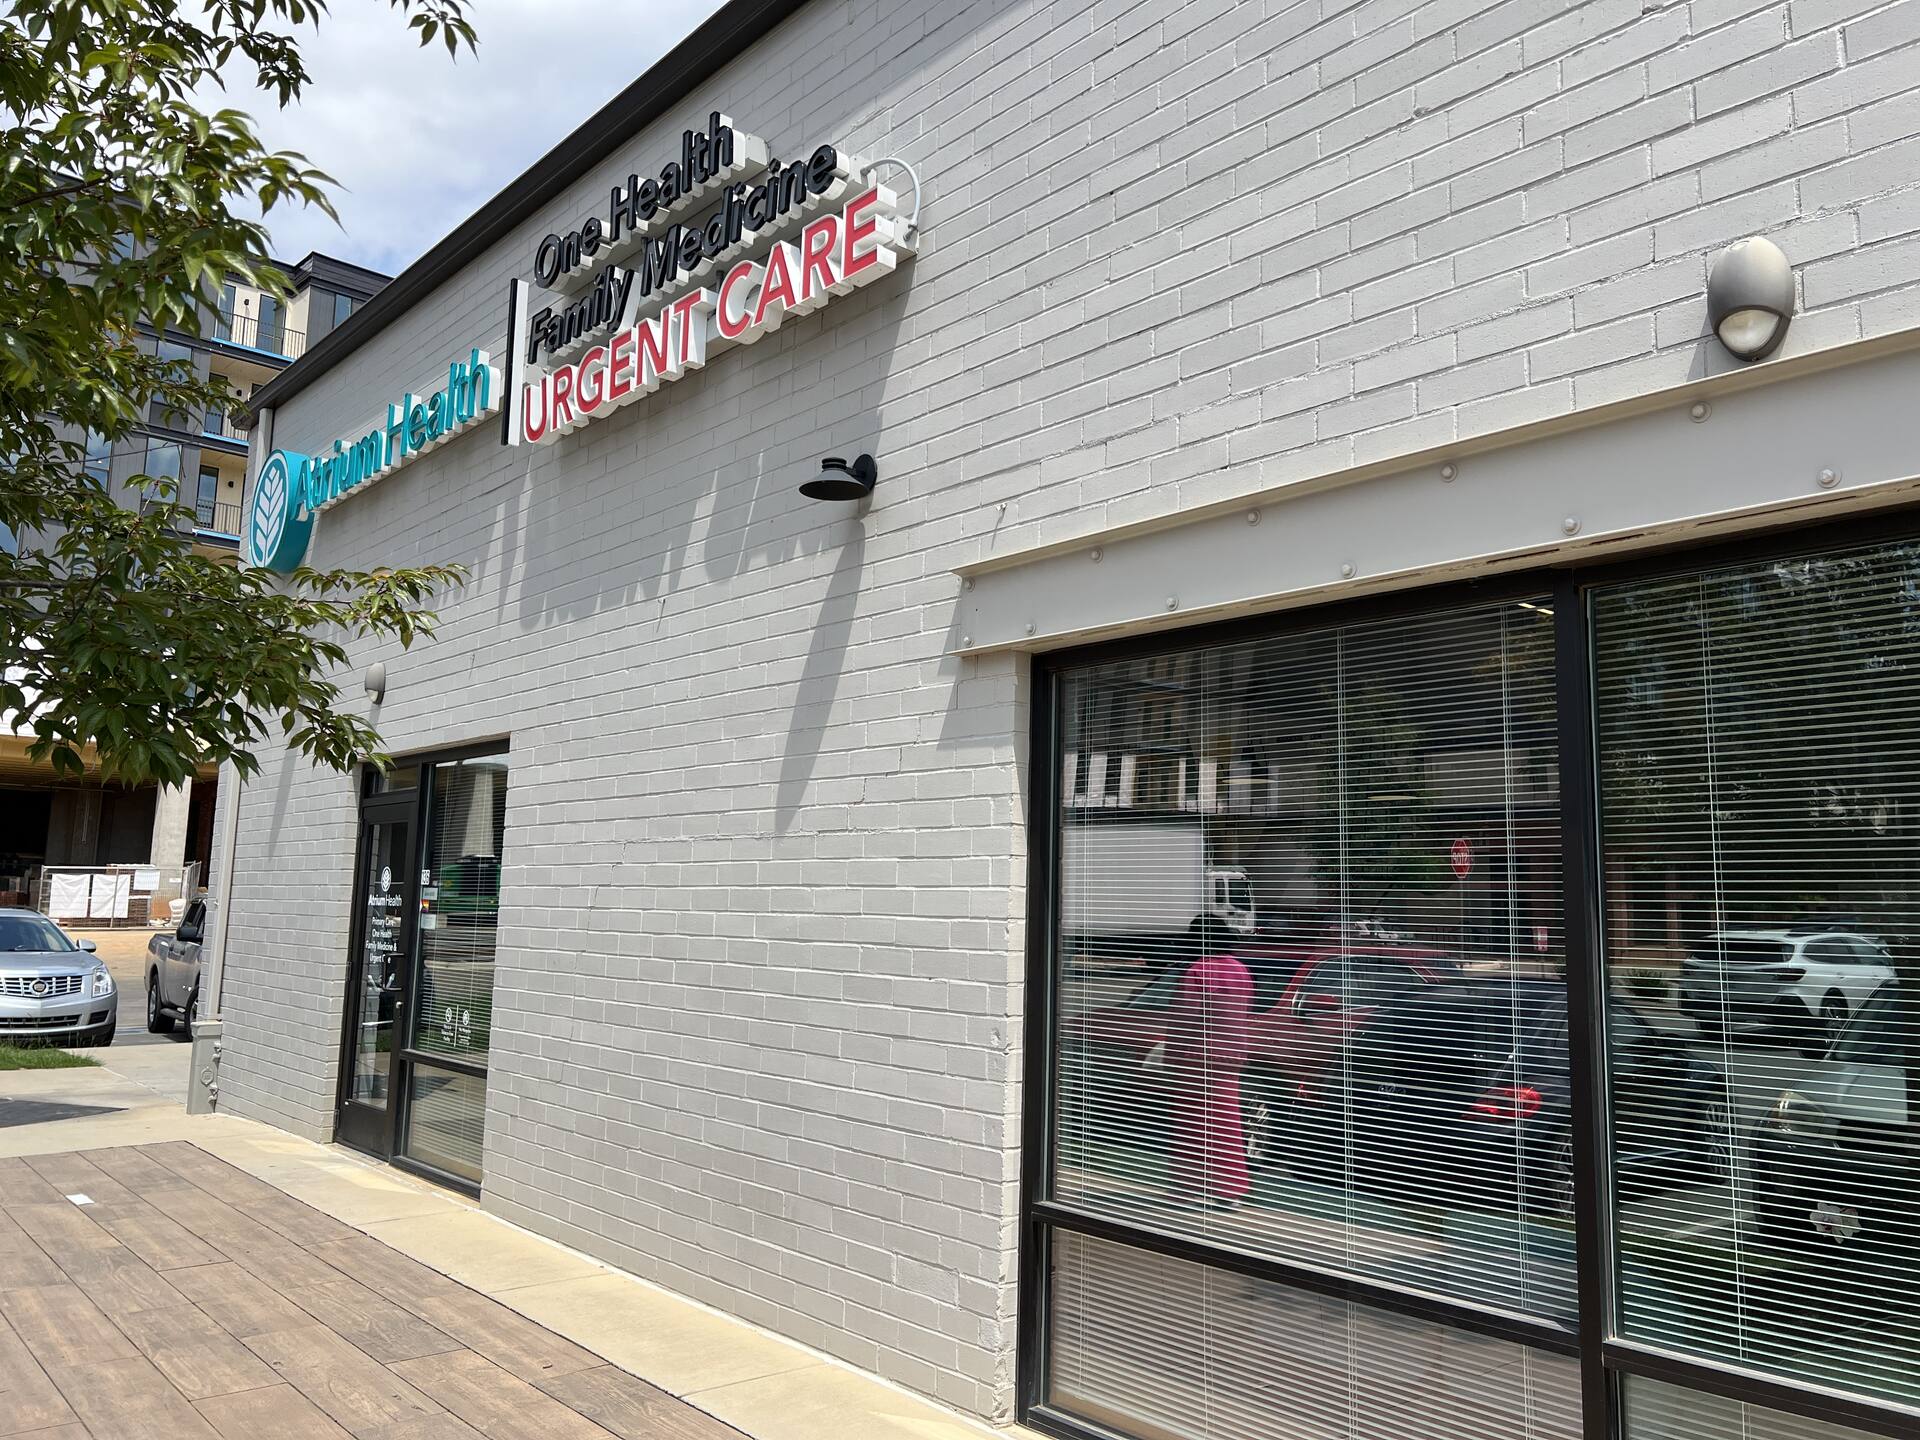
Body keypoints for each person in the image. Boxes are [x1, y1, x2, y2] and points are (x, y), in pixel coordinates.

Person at [1165, 948, 1255, 1208]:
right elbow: (1246, 1007)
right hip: (1232, 1055)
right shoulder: (1239, 968)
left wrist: (1171, 1054)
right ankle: (1230, 1189)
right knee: (1227, 1123)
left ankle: (1189, 1188)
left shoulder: (1198, 970)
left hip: (1198, 1055)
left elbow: (1184, 1016)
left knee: (1193, 1123)